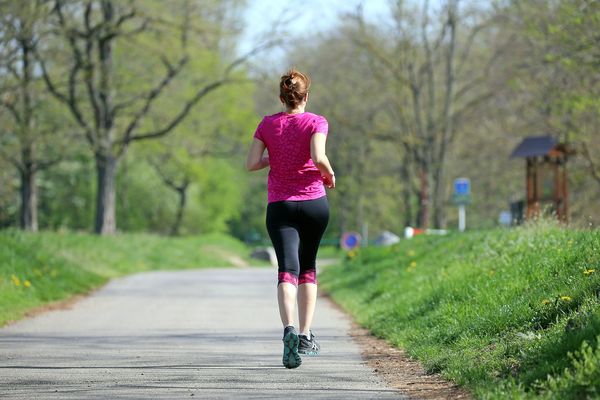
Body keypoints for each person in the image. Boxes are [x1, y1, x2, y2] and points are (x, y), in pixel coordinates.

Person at [246, 68, 335, 369]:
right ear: (305, 96)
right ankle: (307, 335)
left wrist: (276, 158)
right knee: (308, 267)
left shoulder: (267, 124)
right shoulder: (316, 121)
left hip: (280, 205)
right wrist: (328, 172)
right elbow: (318, 156)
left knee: (287, 270)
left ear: (281, 97)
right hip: (313, 203)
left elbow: (251, 163)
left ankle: (289, 330)